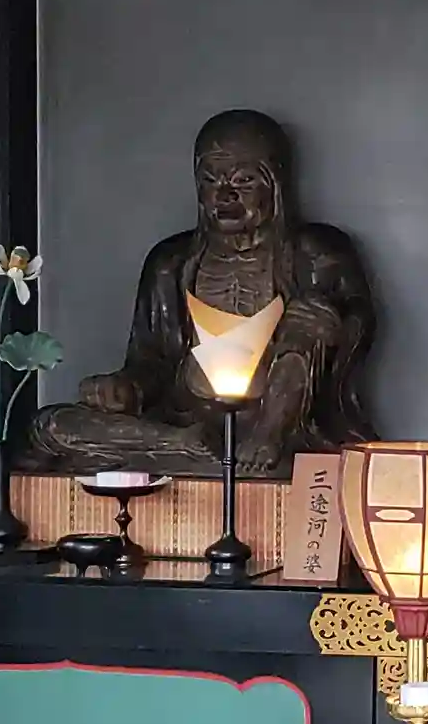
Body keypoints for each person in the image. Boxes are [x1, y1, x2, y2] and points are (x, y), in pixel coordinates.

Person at [26, 108, 375, 477]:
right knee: (50, 426)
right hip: (186, 420)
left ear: (276, 184)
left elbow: (356, 325)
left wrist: (335, 325)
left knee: (309, 317)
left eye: (244, 181)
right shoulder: (171, 262)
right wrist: (125, 388)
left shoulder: (316, 253)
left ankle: (257, 447)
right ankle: (186, 448)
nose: (225, 196)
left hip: (277, 428)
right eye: (211, 180)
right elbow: (152, 361)